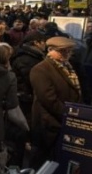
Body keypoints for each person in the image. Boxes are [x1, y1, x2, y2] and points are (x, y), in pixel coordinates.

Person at [30, 36, 82, 167]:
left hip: (62, 120)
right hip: (48, 122)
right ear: (50, 50)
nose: (66, 54)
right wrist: (68, 115)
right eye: (62, 51)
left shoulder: (67, 66)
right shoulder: (41, 69)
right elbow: (48, 99)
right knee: (42, 160)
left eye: (69, 51)